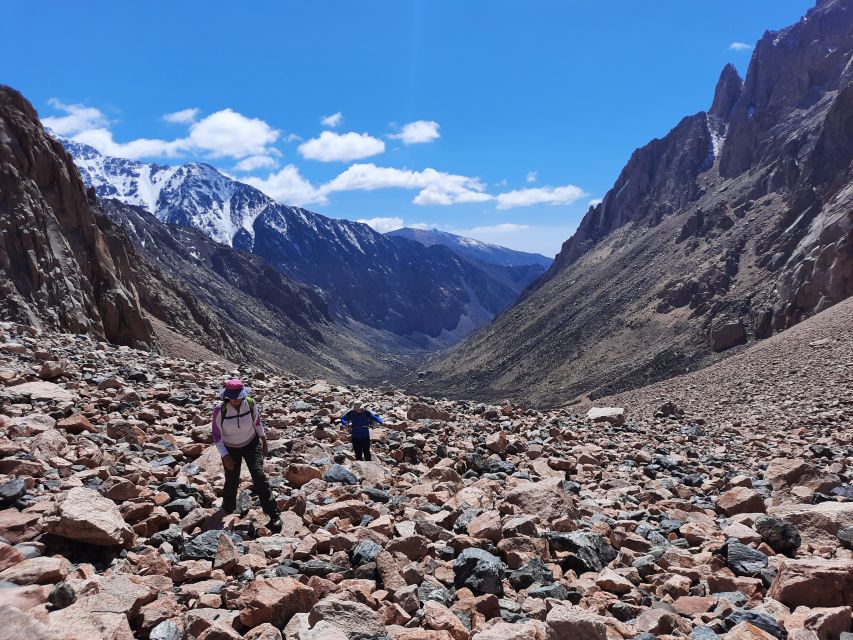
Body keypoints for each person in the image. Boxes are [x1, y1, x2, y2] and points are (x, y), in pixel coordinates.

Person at [212, 378, 281, 531]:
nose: (236, 399)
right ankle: (228, 508)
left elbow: (257, 422)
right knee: (232, 479)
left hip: (251, 443)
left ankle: (273, 513)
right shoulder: (220, 409)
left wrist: (264, 440)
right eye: (233, 396)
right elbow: (216, 436)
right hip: (230, 448)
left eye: (239, 396)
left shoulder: (250, 403)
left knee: (259, 475)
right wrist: (224, 455)